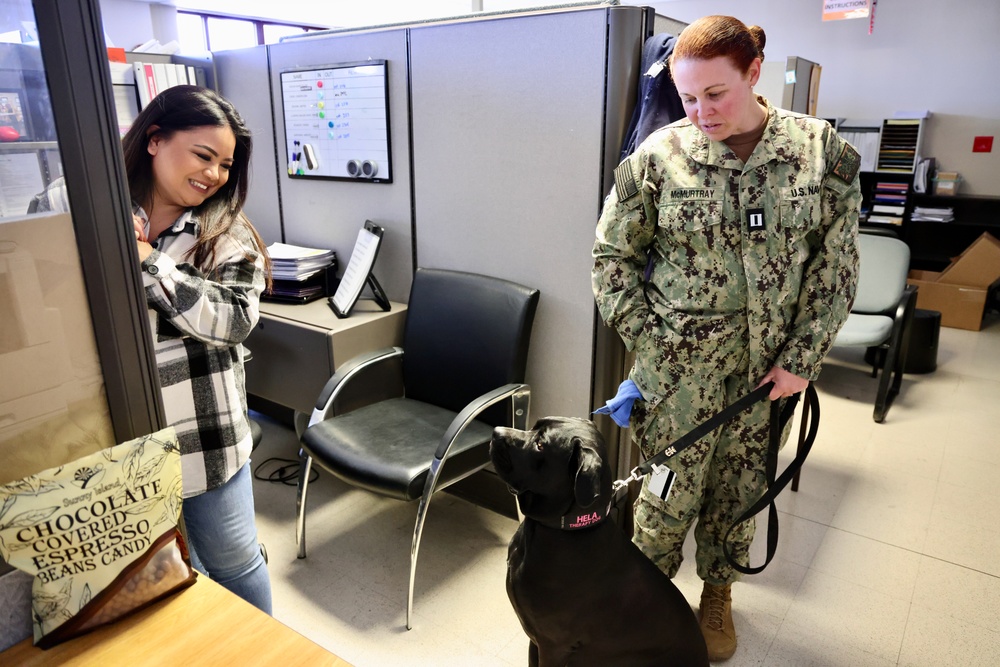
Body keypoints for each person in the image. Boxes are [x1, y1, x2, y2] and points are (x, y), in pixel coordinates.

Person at [592, 16, 860, 662]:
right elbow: (610, 261)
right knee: (661, 498)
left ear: (754, 74)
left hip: (767, 378)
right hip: (676, 381)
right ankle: (644, 603)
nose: (700, 111)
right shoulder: (658, 158)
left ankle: (717, 594)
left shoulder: (816, 153)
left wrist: (801, 359)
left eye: (716, 94)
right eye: (687, 97)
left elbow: (837, 264)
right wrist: (655, 350)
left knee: (739, 494)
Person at [122, 85, 273, 613]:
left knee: (233, 562)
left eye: (225, 165)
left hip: (202, 438)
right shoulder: (78, 203)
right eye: (204, 156)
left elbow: (231, 321)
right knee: (155, 574)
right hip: (117, 437)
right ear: (154, 140)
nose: (214, 175)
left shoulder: (226, 238)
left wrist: (145, 259)